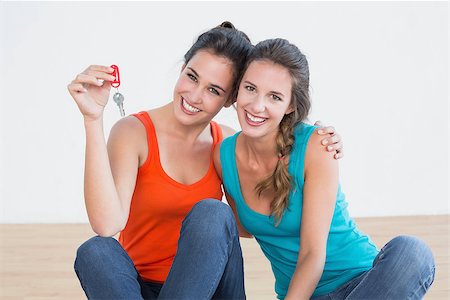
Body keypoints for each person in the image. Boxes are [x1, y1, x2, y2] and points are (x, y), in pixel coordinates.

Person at [68, 22, 343, 299]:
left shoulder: (226, 145)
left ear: (230, 99)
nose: (195, 96)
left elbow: (243, 223)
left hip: (211, 289)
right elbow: (107, 225)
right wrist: (93, 120)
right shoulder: (133, 132)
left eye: (214, 90)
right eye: (192, 76)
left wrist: (312, 138)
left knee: (213, 213)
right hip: (139, 288)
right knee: (95, 251)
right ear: (182, 68)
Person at [214, 38, 435, 300]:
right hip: (305, 295)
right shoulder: (223, 157)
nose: (257, 105)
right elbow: (245, 228)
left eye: (275, 97)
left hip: (364, 284)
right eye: (250, 88)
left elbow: (312, 254)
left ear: (291, 106)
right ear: (238, 90)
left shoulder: (317, 145)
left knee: (412, 251)